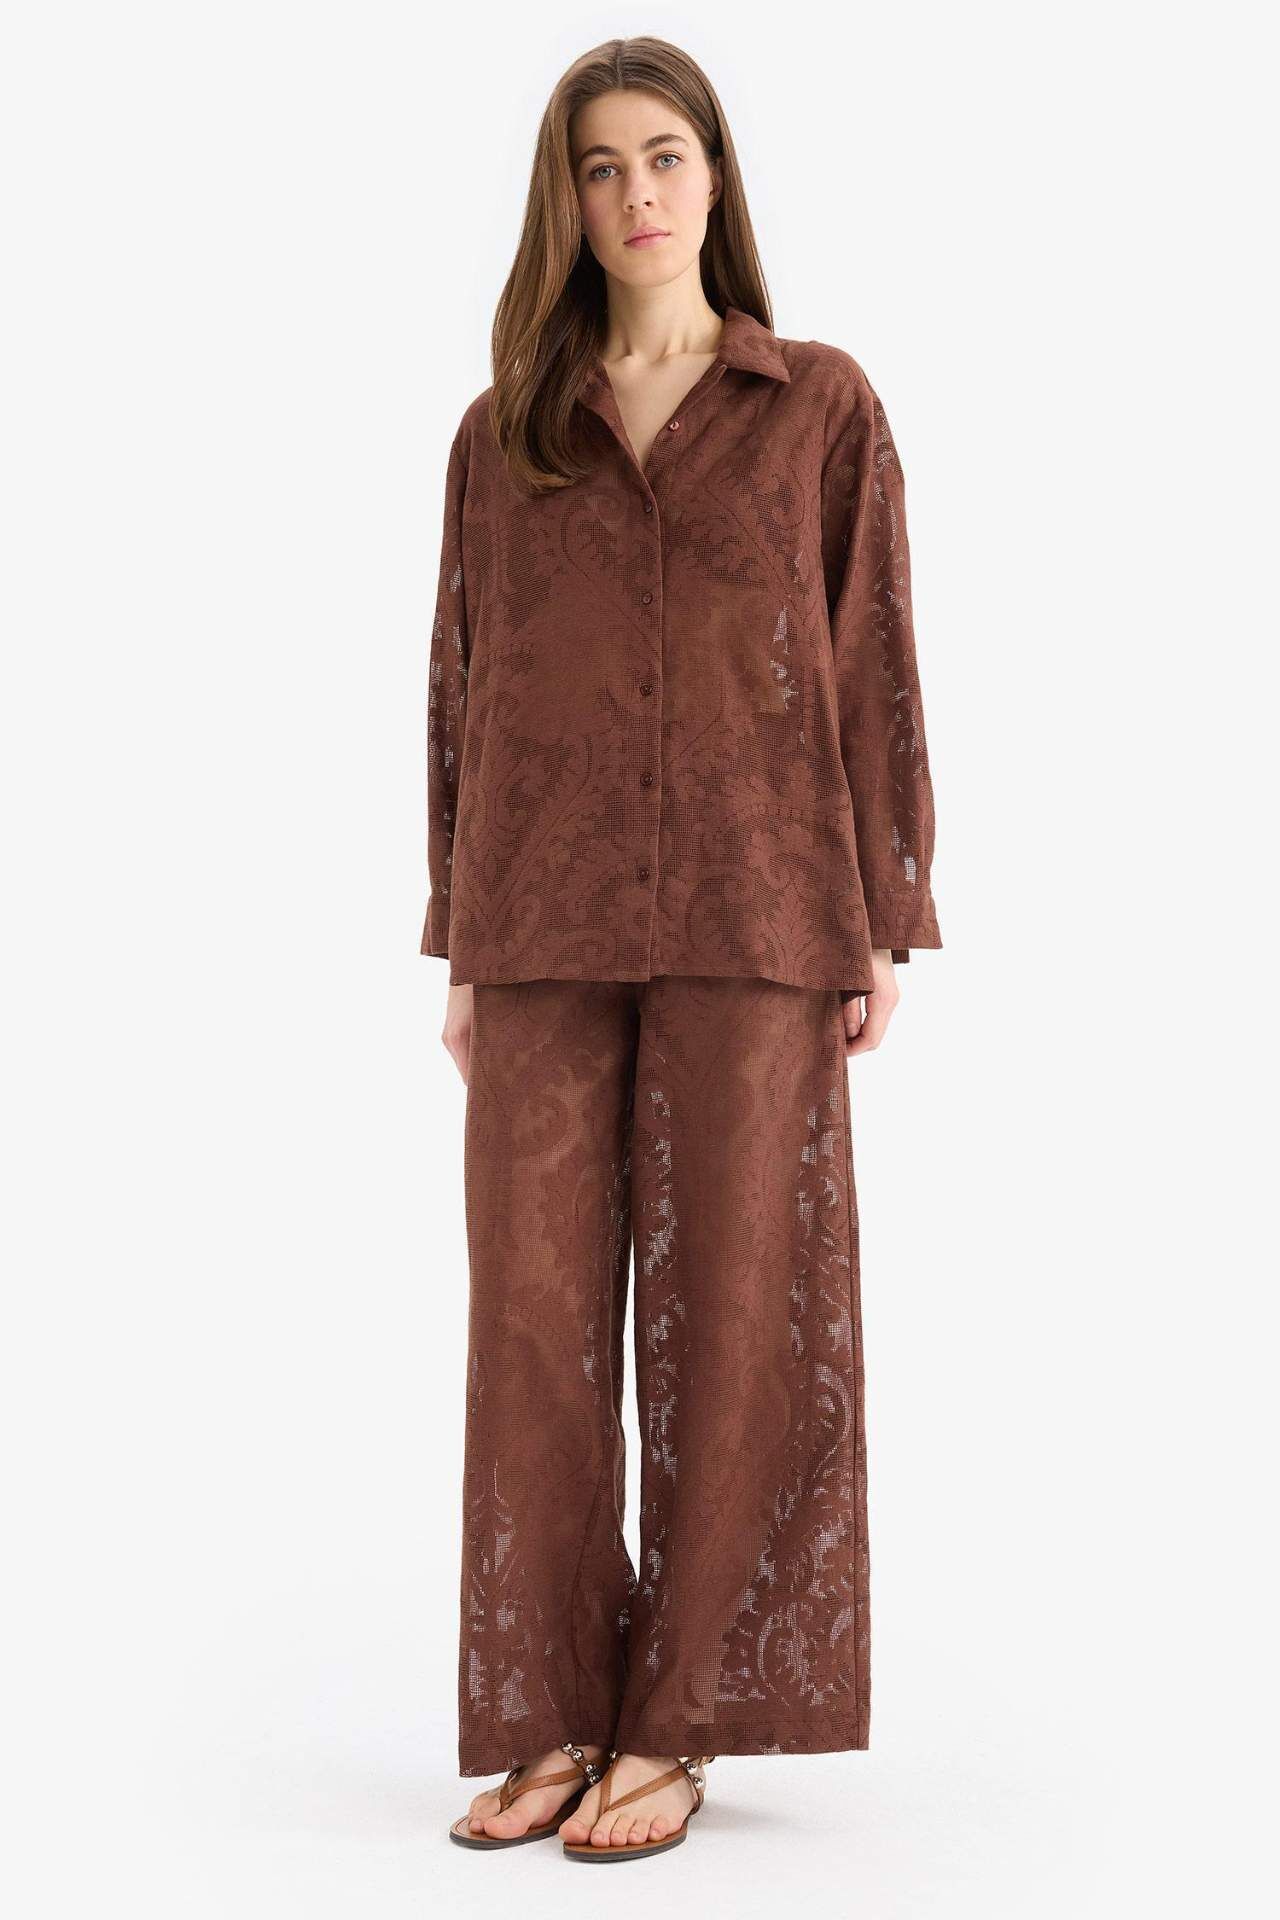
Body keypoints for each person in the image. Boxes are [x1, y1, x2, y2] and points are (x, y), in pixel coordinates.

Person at [422, 35, 942, 1863]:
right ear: (564, 203)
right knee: (533, 1319)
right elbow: (466, 688)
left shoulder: (817, 407)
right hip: (541, 910)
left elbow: (868, 659)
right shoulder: (505, 432)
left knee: (735, 1307)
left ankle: (680, 1720)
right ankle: (556, 1710)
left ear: (714, 177)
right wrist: (458, 941)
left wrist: (883, 913)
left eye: (664, 156)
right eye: (600, 167)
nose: (636, 194)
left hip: (760, 901)